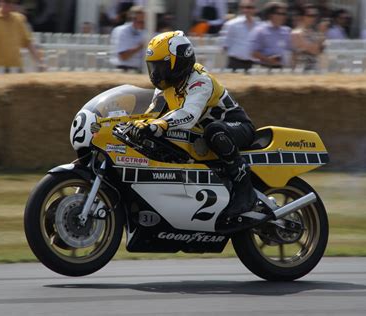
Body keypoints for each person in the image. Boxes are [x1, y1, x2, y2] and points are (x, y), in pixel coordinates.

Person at [131, 31, 257, 221]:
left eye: (161, 67)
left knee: (214, 130)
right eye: (153, 67)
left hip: (237, 127)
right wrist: (137, 126)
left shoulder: (200, 81)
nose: (156, 74)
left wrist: (161, 124)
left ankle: (244, 189)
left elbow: (188, 115)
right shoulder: (166, 88)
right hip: (205, 136)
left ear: (179, 62)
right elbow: (152, 115)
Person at [0, 0, 44, 72]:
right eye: (7, 2)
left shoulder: (19, 18)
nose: (10, 5)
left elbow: (28, 42)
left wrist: (39, 62)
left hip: (16, 67)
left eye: (13, 2)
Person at [220, 0, 259, 72]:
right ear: (241, 9)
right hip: (235, 62)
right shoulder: (231, 24)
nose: (248, 10)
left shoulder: (259, 25)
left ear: (255, 9)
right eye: (245, 7)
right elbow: (224, 44)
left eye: (251, 7)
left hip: (252, 64)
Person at [249, 2, 291, 68]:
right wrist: (268, 59)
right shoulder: (260, 30)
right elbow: (253, 52)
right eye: (279, 14)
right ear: (270, 14)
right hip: (263, 67)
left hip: (280, 68)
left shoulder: (286, 31)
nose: (282, 17)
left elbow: (289, 50)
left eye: (284, 14)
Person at [291, 4, 327, 71]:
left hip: (315, 68)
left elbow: (321, 51)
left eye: (315, 16)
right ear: (302, 17)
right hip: (301, 70)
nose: (313, 18)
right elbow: (314, 51)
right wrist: (322, 33)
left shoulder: (314, 33)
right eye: (310, 16)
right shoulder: (296, 33)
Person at [109, 5, 145, 73]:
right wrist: (141, 46)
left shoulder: (144, 31)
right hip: (124, 71)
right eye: (141, 21)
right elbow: (123, 56)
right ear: (132, 19)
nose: (143, 24)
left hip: (138, 71)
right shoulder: (122, 31)